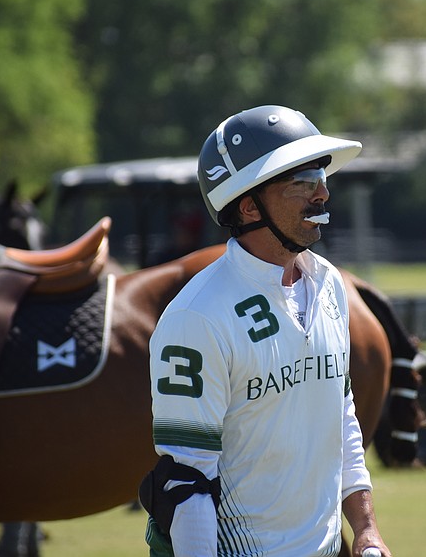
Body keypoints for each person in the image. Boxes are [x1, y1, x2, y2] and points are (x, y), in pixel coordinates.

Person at [143, 105, 392, 556]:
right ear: (247, 204)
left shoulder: (330, 284)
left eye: (321, 176)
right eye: (300, 181)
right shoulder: (194, 319)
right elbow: (186, 482)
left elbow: (341, 418)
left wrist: (366, 528)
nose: (322, 193)